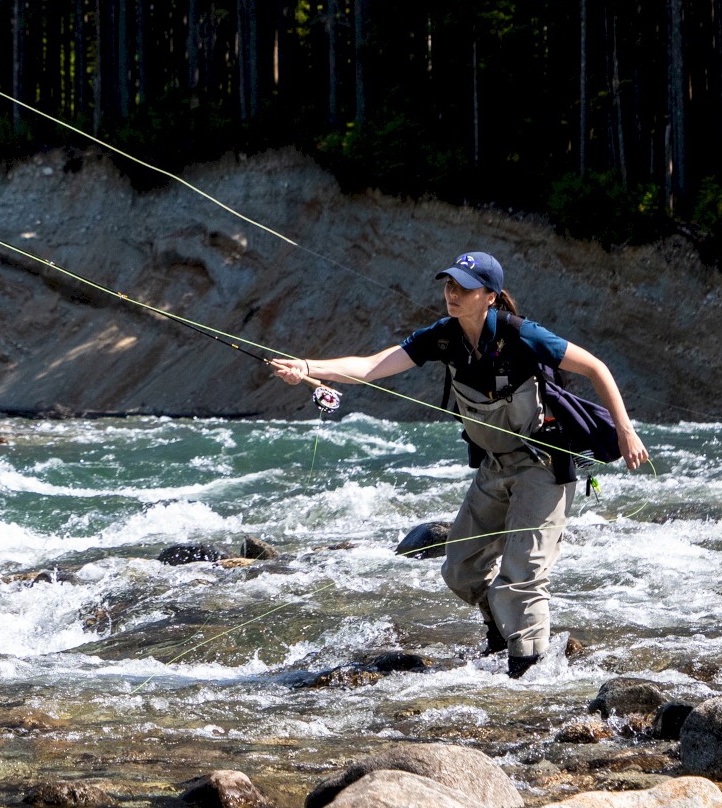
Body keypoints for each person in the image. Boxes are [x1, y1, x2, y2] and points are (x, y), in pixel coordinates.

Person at [270, 251, 649, 678]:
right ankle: (499, 631)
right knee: (460, 568)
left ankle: (530, 676)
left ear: (489, 296)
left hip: (543, 465)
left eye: (464, 288)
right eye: (449, 285)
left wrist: (626, 431)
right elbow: (371, 366)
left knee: (522, 575)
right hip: (493, 466)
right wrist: (306, 367)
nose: (452, 294)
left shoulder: (522, 334)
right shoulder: (443, 337)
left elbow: (596, 367)